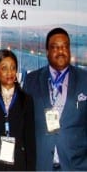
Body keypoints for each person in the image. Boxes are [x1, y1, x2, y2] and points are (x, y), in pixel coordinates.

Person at [23, 27, 87, 171]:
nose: (61, 51)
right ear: (47, 52)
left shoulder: (85, 80)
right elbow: (25, 125)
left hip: (76, 166)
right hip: (41, 166)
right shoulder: (31, 81)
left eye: (65, 46)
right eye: (55, 47)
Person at [0, 49, 35, 170]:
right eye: (4, 68)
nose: (10, 72)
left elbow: (30, 140)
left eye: (13, 68)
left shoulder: (26, 100)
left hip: (19, 164)